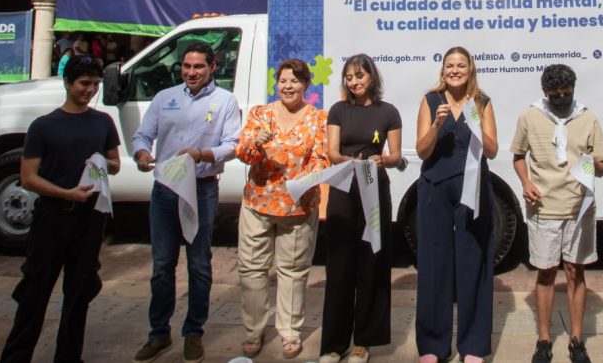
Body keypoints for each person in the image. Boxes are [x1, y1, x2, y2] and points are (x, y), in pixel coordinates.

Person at [0, 55, 121, 363]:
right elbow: (28, 177)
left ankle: (69, 356)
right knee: (34, 292)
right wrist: (64, 192)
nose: (90, 90)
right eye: (84, 84)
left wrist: (100, 162)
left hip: (90, 219)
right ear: (67, 83)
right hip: (52, 218)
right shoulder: (43, 126)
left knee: (79, 293)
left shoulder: (102, 122)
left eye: (95, 84)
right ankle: (16, 356)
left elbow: (115, 164)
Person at [131, 41, 242, 363]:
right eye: (187, 66)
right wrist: (141, 154)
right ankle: (158, 334)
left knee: (199, 264)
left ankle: (194, 332)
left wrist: (203, 155)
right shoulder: (166, 98)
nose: (192, 72)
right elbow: (142, 135)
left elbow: (232, 145)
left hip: (202, 189)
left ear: (212, 67)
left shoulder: (225, 101)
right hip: (165, 190)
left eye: (199, 67)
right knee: (162, 265)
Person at [511, 64, 603, 363]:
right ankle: (544, 338)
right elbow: (517, 156)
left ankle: (577, 339)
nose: (562, 99)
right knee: (546, 272)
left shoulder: (588, 117)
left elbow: (602, 166)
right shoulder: (529, 116)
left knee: (575, 271)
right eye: (556, 95)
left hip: (578, 207)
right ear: (545, 92)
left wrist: (594, 163)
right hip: (543, 208)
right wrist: (526, 183)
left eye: (567, 94)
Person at [236, 58, 329, 359]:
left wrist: (306, 177)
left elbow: (322, 159)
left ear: (306, 85)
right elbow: (243, 154)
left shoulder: (318, 117)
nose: (288, 86)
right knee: (252, 270)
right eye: (284, 81)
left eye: (295, 81)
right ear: (277, 83)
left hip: (298, 208)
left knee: (293, 271)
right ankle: (253, 331)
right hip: (258, 204)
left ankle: (289, 332)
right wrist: (255, 143)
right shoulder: (260, 114)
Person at [415, 46, 498, 363]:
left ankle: (474, 346)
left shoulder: (482, 102)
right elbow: (422, 151)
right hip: (435, 189)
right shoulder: (430, 100)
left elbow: (491, 149)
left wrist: (476, 125)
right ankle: (433, 346)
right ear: (443, 70)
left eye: (461, 65)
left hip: (473, 191)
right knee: (434, 264)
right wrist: (436, 125)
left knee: (473, 263)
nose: (455, 70)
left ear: (470, 69)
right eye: (449, 65)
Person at [319, 54, 402, 363]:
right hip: (343, 189)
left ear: (371, 78)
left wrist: (381, 160)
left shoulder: (388, 112)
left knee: (372, 263)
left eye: (359, 76)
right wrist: (351, 162)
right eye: (349, 77)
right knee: (339, 266)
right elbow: (332, 152)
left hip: (375, 189)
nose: (354, 82)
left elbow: (395, 155)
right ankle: (333, 344)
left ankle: (363, 342)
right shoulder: (338, 110)